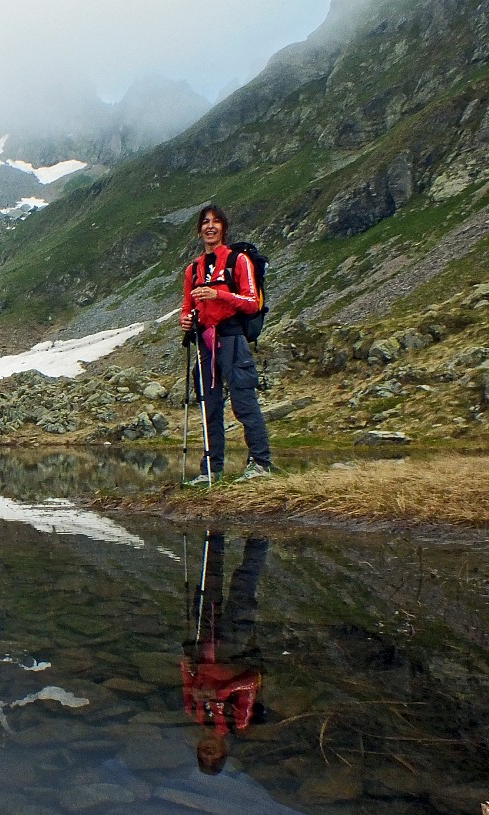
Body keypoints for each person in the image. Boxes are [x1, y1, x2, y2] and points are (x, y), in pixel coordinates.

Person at [179, 205, 272, 485]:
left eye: (216, 222)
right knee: (210, 406)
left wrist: (219, 294)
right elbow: (187, 305)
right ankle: (211, 470)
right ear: (199, 230)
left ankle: (260, 464)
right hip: (205, 343)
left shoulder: (238, 260)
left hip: (232, 338)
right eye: (205, 222)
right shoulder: (192, 269)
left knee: (244, 402)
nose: (210, 226)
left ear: (224, 229)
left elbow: (251, 302)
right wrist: (186, 320)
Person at [181, 531, 269, 774]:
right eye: (214, 755)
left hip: (203, 643)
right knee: (243, 588)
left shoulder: (193, 712)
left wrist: (186, 665)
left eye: (203, 754)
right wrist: (221, 692)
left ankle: (215, 534)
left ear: (197, 746)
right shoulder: (238, 721)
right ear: (224, 751)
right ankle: (258, 538)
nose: (208, 751)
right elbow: (252, 682)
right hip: (235, 649)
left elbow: (187, 680)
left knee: (209, 585)